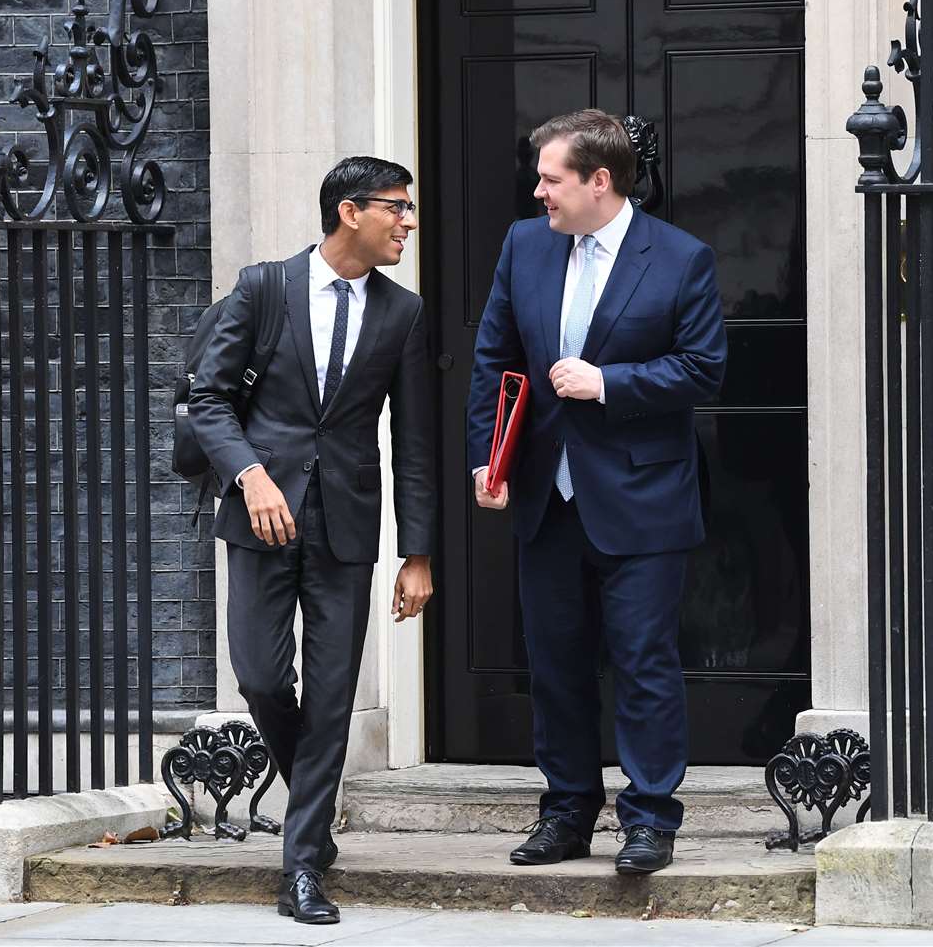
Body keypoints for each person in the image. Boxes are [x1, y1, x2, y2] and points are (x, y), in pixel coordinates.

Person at [467, 109, 727, 874]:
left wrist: (606, 382)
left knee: (644, 663)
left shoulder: (681, 258)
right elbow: (494, 358)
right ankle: (567, 811)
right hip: (546, 496)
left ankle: (649, 820)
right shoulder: (524, 244)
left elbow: (701, 369)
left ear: (598, 181)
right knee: (555, 664)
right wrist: (490, 459)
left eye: (551, 179)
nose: (538, 192)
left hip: (642, 499)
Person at [189, 156, 436, 924]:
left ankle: (301, 866)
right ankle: (313, 810)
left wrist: (417, 552)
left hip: (346, 526)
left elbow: (416, 441)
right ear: (349, 211)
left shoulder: (404, 313)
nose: (407, 222)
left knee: (331, 699)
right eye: (396, 208)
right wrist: (250, 476)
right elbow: (208, 396)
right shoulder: (264, 287)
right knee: (261, 678)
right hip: (261, 518)